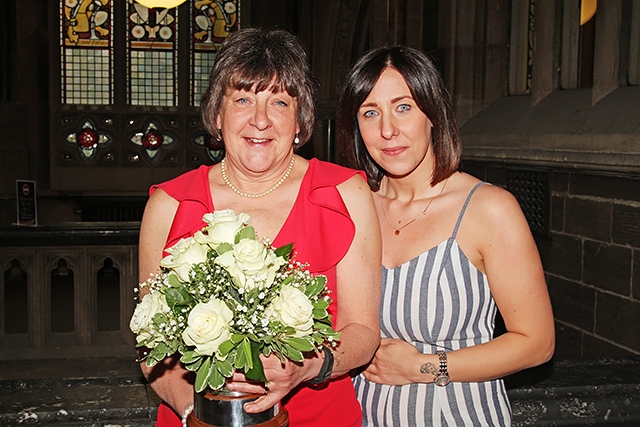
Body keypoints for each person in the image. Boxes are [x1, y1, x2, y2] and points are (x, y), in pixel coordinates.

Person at [137, 28, 382, 427]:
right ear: (217, 114)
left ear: (301, 120)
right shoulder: (169, 205)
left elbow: (363, 331)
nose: (260, 120)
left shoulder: (345, 193)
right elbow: (152, 346)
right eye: (243, 99)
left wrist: (308, 366)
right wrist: (197, 415)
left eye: (279, 102)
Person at [337, 45, 555, 426]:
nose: (388, 130)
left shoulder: (489, 209)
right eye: (370, 113)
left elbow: (536, 343)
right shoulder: (352, 206)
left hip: (457, 414)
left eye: (403, 107)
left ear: (433, 113)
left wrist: (421, 367)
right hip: (361, 414)